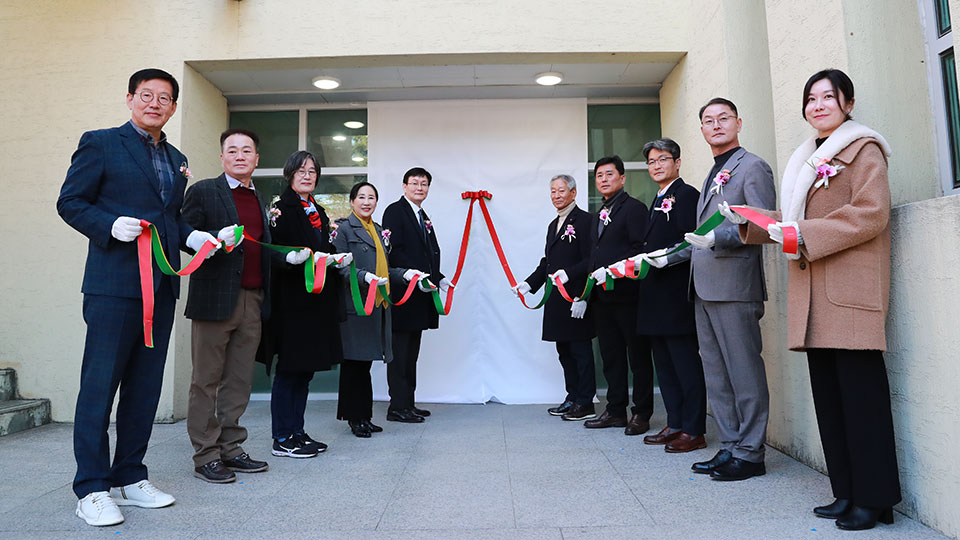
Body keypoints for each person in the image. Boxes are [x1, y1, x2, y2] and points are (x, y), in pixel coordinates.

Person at [726, 69, 900, 530]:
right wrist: (748, 218)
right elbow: (793, 219)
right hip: (816, 296)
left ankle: (875, 498)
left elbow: (871, 213)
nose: (818, 105)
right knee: (831, 399)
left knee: (862, 402)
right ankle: (847, 492)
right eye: (811, 98)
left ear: (849, 103)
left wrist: (799, 232)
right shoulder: (810, 158)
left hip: (850, 292)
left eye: (828, 97)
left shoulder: (863, 150)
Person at [57, 68, 220, 526]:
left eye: (164, 98)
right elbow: (70, 202)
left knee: (145, 388)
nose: (154, 104)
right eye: (146, 95)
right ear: (130, 99)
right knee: (99, 386)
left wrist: (197, 238)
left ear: (172, 107)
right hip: (114, 285)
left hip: (162, 285)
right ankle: (91, 487)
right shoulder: (101, 142)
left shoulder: (177, 157)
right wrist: (108, 225)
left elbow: (168, 219)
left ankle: (131, 476)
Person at [648, 98, 776, 480]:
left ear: (738, 122)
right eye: (708, 120)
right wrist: (668, 258)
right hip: (702, 288)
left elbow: (764, 223)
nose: (716, 125)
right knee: (717, 374)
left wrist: (719, 238)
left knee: (744, 372)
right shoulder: (712, 172)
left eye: (723, 119)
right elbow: (698, 235)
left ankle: (751, 453)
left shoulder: (752, 166)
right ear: (701, 130)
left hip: (735, 287)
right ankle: (731, 445)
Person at [181, 129, 294, 482]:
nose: (240, 155)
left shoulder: (259, 198)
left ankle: (231, 447)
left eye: (247, 150)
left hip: (253, 298)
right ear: (222, 157)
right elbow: (183, 232)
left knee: (240, 379)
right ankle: (205, 455)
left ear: (257, 159)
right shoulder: (203, 190)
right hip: (215, 299)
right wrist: (209, 241)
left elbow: (260, 247)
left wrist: (287, 257)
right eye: (233, 150)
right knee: (205, 380)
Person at [262, 150, 350, 457]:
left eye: (312, 171)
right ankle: (282, 437)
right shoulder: (279, 209)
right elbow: (271, 251)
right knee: (289, 369)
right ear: (289, 174)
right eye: (301, 170)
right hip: (291, 304)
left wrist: (334, 260)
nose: (307, 175)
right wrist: (290, 260)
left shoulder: (319, 211)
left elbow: (321, 249)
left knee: (305, 371)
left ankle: (297, 430)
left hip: (316, 302)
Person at [626, 139, 706, 453]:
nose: (657, 165)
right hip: (653, 297)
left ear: (677, 162)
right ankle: (675, 422)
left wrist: (664, 258)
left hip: (675, 297)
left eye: (663, 159)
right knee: (665, 366)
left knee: (685, 364)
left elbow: (691, 241)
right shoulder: (657, 199)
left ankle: (694, 429)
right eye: (651, 161)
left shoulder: (686, 196)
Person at [332, 182, 417, 437]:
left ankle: (364, 416)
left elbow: (385, 269)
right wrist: (364, 277)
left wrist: (406, 274)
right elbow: (341, 267)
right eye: (361, 197)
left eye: (371, 198)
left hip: (377, 306)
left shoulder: (378, 230)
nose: (366, 202)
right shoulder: (344, 230)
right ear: (352, 201)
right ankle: (354, 418)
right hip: (356, 306)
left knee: (365, 364)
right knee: (353, 365)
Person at [512, 174, 597, 421]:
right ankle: (572, 397)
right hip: (556, 299)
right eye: (553, 191)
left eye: (561, 191)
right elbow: (547, 263)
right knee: (564, 351)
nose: (557, 195)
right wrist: (529, 284)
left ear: (574, 192)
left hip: (576, 298)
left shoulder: (585, 221)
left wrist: (582, 294)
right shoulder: (554, 225)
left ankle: (585, 402)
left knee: (580, 351)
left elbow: (590, 260)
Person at [583, 156, 653, 436]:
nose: (603, 179)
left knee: (638, 357)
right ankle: (615, 411)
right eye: (599, 175)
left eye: (609, 174)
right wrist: (586, 293)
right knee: (611, 357)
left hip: (628, 295)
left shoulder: (634, 208)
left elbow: (640, 250)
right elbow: (594, 254)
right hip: (602, 298)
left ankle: (642, 412)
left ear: (622, 178)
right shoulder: (598, 212)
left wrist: (612, 271)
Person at [381, 167, 451, 423]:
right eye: (414, 183)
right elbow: (394, 252)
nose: (419, 188)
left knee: (412, 353)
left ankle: (408, 403)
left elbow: (427, 252)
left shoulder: (422, 215)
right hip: (404, 292)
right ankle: (397, 407)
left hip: (421, 294)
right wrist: (414, 275)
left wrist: (438, 277)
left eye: (424, 184)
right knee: (400, 353)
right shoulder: (394, 211)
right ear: (404, 186)